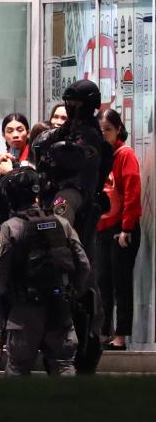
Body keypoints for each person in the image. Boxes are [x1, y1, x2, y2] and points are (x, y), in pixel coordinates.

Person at [32, 79, 113, 373]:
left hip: (77, 219)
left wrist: (55, 148)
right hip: (60, 218)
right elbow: (41, 146)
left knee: (82, 290)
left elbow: (70, 160)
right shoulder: (67, 132)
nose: (70, 109)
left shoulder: (91, 138)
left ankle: (85, 353)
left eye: (75, 104)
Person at [0, 167, 90, 375]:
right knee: (64, 367)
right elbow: (83, 265)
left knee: (17, 372)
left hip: (23, 313)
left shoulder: (9, 228)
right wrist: (72, 293)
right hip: (59, 307)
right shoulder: (61, 223)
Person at [96, 109, 142, 350]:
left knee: (120, 282)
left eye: (109, 131)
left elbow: (132, 194)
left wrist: (126, 227)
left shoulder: (125, 155)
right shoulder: (98, 157)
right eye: (101, 131)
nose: (105, 135)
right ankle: (104, 331)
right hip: (102, 226)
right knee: (102, 280)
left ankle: (121, 335)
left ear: (118, 130)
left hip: (122, 227)